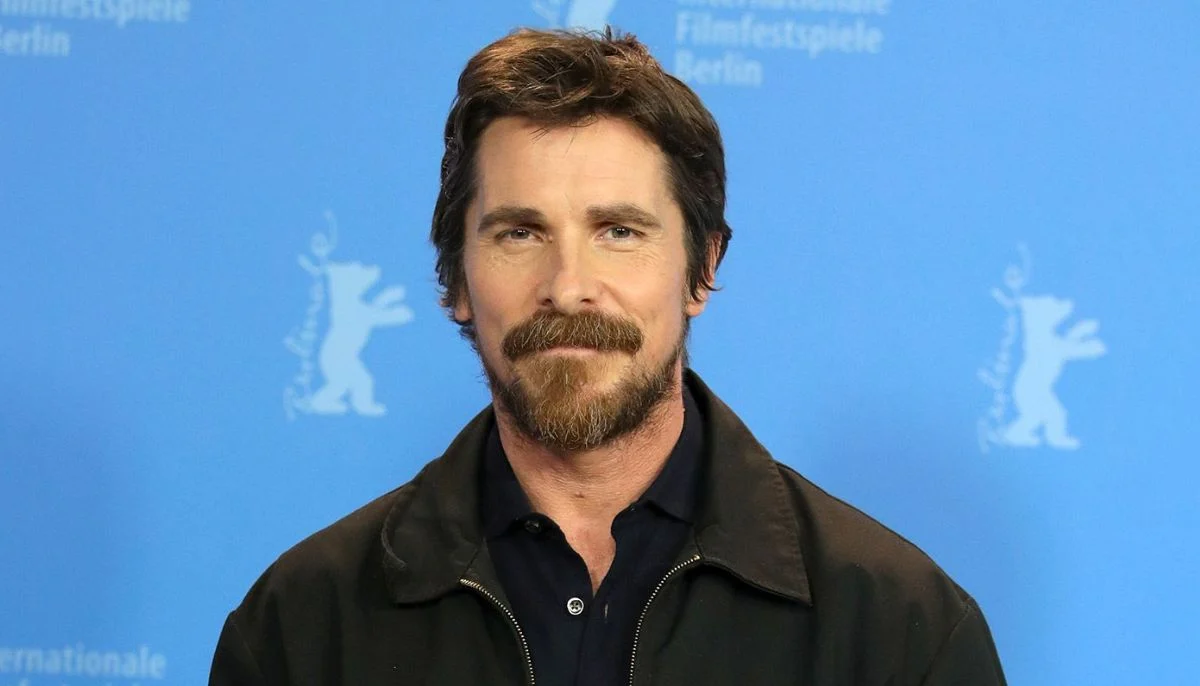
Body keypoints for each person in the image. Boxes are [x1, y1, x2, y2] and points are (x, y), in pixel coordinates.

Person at [209, 28, 1007, 686]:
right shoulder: (300, 630)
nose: (569, 287)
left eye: (618, 232)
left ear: (702, 269)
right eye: (520, 233)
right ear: (455, 279)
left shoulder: (900, 633)